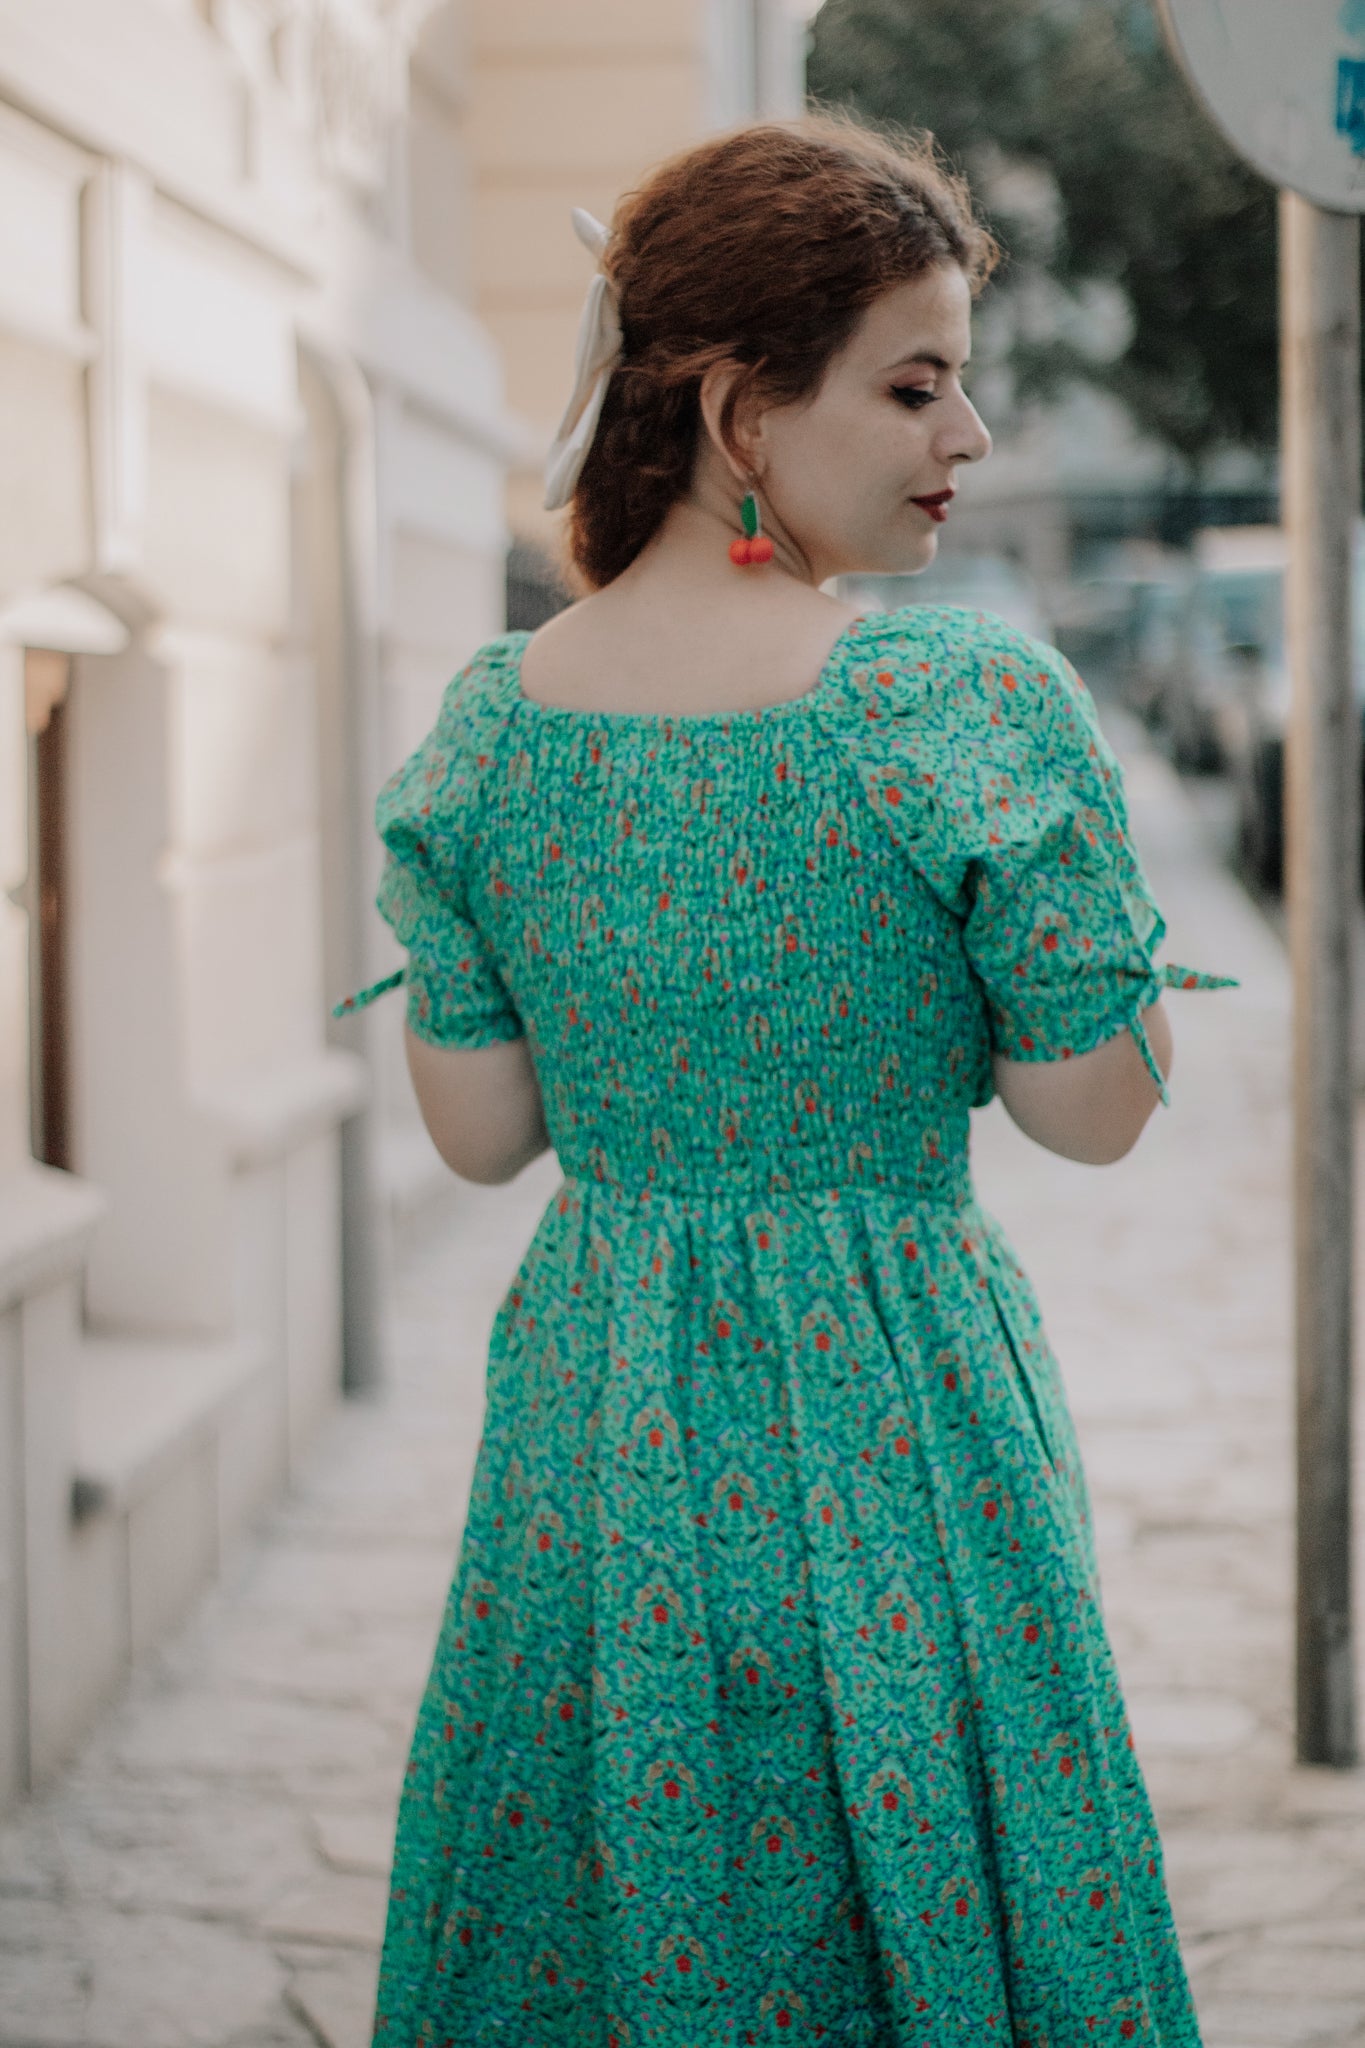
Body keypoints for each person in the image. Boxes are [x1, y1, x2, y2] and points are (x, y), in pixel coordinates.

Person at [337, 112, 1236, 2047]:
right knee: (934, 1866)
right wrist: (1088, 927)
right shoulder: (947, 707)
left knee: (603, 1888)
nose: (965, 440)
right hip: (899, 1416)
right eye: (916, 386)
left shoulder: (490, 735)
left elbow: (481, 1142)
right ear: (744, 410)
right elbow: (1090, 1114)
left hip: (604, 1429)